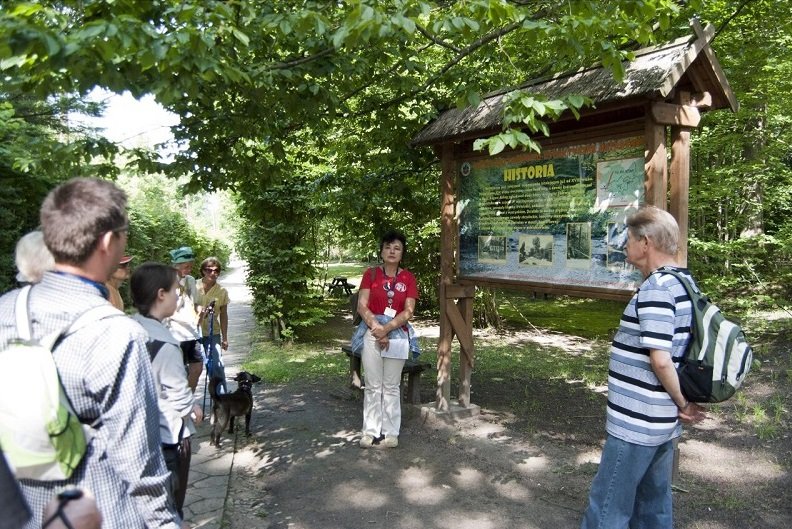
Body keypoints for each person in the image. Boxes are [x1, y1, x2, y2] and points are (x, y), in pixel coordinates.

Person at [0, 177, 184, 528]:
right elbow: (139, 462)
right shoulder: (115, 332)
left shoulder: (6, 310)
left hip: (27, 509)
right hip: (102, 510)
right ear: (107, 241)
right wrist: (167, 522)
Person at [580, 206, 707, 529]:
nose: (625, 246)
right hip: (660, 421)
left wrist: (685, 404)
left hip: (638, 421)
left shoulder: (657, 289)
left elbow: (661, 359)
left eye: (630, 239)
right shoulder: (684, 282)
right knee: (653, 504)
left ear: (646, 243)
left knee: (608, 505)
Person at [130, 262, 203, 519]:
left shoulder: (130, 328)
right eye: (174, 290)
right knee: (171, 508)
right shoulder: (166, 344)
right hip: (169, 437)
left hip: (139, 435)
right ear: (161, 294)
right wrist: (192, 409)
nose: (177, 295)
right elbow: (178, 394)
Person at [354, 230, 419, 449]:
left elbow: (409, 311)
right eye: (388, 247)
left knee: (391, 385)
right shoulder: (371, 274)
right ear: (381, 251)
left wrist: (387, 329)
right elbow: (362, 305)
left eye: (397, 248)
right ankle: (370, 432)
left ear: (402, 253)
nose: (392, 251)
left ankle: (391, 432)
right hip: (372, 331)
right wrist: (376, 327)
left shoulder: (408, 278)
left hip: (398, 334)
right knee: (373, 385)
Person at [167, 247, 204, 392]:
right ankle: (179, 407)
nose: (189, 270)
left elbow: (196, 302)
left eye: (190, 266)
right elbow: (170, 308)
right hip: (175, 333)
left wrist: (201, 311)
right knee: (179, 372)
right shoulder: (168, 281)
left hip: (192, 332)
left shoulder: (191, 280)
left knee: (197, 368)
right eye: (185, 267)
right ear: (176, 266)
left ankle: (189, 399)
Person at [196, 256, 229, 393]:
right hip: (192, 332)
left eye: (216, 271)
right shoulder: (193, 285)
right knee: (190, 368)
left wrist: (225, 338)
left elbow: (223, 315)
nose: (213, 273)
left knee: (216, 366)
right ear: (203, 271)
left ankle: (222, 399)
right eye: (209, 270)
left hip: (212, 332)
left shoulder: (222, 291)